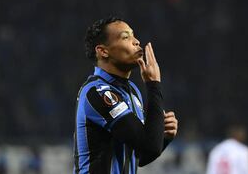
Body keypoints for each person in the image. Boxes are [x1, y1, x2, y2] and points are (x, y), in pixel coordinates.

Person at [73, 17, 178, 174]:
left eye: (133, 35)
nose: (136, 41)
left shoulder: (132, 91)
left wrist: (164, 137)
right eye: (125, 37)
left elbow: (142, 153)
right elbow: (149, 147)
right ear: (103, 51)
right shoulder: (97, 92)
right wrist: (154, 85)